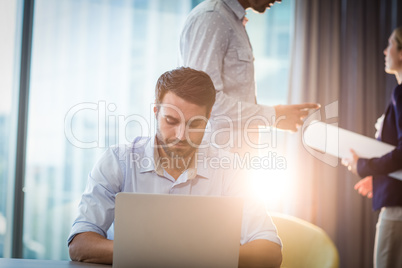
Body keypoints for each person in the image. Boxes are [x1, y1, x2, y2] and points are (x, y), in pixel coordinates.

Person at [68, 67, 282, 267]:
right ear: (155, 111)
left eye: (195, 124)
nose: (181, 135)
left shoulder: (230, 169)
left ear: (208, 119)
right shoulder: (118, 161)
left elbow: (270, 252)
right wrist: (175, 254)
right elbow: (80, 245)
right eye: (171, 120)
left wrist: (175, 254)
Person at [179, 0, 319, 152]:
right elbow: (204, 101)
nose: (279, 0)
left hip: (234, 160)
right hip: (215, 160)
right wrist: (273, 115)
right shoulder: (213, 17)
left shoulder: (229, 19)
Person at [342, 27, 402, 268]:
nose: (385, 51)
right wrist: (377, 177)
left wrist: (363, 166)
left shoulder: (401, 92)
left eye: (391, 45)